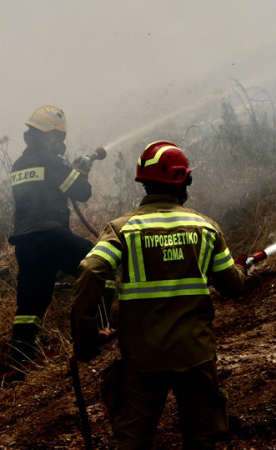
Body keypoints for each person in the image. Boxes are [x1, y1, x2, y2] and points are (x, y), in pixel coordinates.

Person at [72, 141, 247, 450]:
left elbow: (90, 270)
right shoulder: (205, 228)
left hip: (143, 359)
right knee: (203, 439)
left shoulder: (122, 229)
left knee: (134, 442)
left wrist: (85, 339)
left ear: (144, 183)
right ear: (184, 181)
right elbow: (234, 286)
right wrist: (241, 269)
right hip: (196, 355)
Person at [7, 105, 96, 367]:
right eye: (57, 138)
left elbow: (40, 189)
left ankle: (19, 365)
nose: (59, 143)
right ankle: (98, 330)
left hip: (25, 242)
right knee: (99, 264)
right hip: (51, 236)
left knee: (30, 306)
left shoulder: (19, 164)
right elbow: (82, 192)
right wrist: (79, 170)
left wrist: (68, 169)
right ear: (49, 136)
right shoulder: (52, 161)